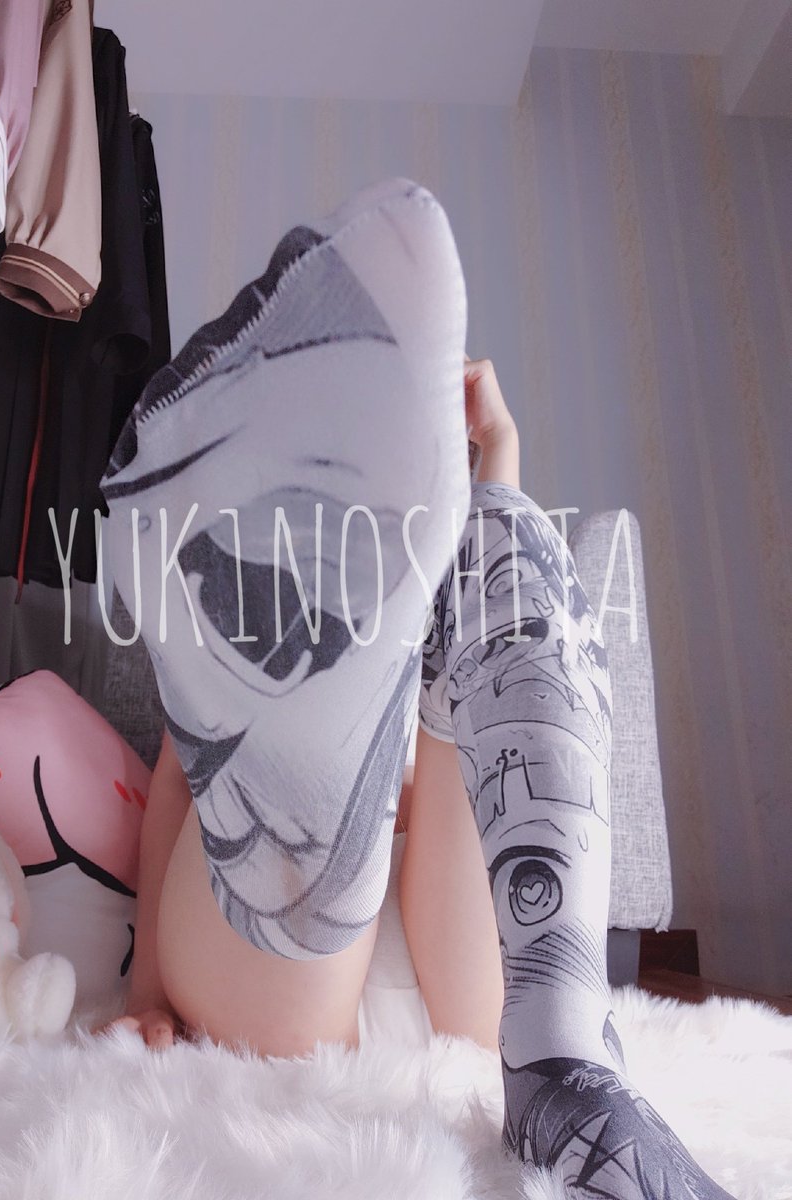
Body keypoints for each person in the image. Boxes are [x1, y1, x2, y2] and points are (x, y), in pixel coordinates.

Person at [99, 178, 734, 1199]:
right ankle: (313, 735)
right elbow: (179, 783)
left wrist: (497, 468)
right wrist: (144, 988)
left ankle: (563, 1046)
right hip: (298, 955)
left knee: (497, 614)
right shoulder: (260, 633)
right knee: (274, 804)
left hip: (458, 948)